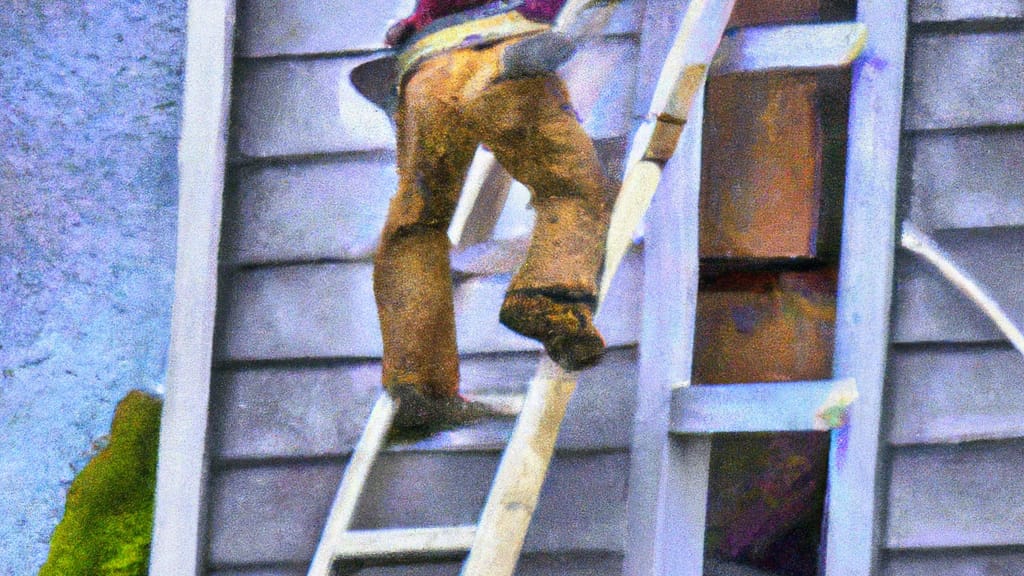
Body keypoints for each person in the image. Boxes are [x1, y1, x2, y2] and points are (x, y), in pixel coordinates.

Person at [373, 0, 613, 428]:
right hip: (504, 60)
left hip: (426, 70)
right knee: (569, 188)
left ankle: (417, 387)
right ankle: (547, 299)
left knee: (418, 224)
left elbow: (416, 21)